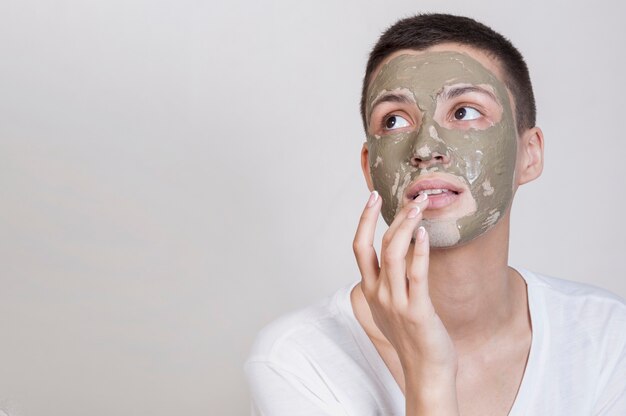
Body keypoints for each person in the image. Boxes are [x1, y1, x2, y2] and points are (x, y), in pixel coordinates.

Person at [245, 13, 626, 416]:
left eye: (464, 112)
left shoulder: (605, 338)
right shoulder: (297, 361)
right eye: (394, 120)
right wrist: (429, 372)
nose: (425, 148)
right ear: (369, 166)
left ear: (529, 155)